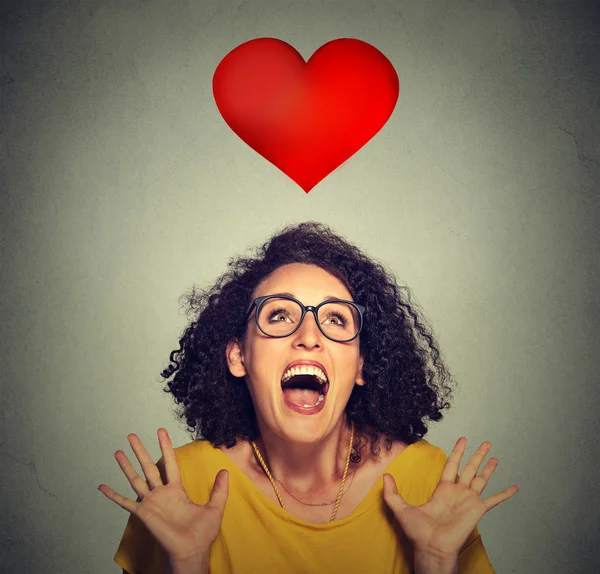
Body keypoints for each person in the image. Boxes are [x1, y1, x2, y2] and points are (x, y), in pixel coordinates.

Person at [99, 221, 518, 574]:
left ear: (360, 367)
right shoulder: (182, 483)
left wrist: (435, 560)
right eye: (279, 315)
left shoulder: (427, 482)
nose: (309, 337)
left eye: (335, 318)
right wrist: (188, 564)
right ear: (238, 355)